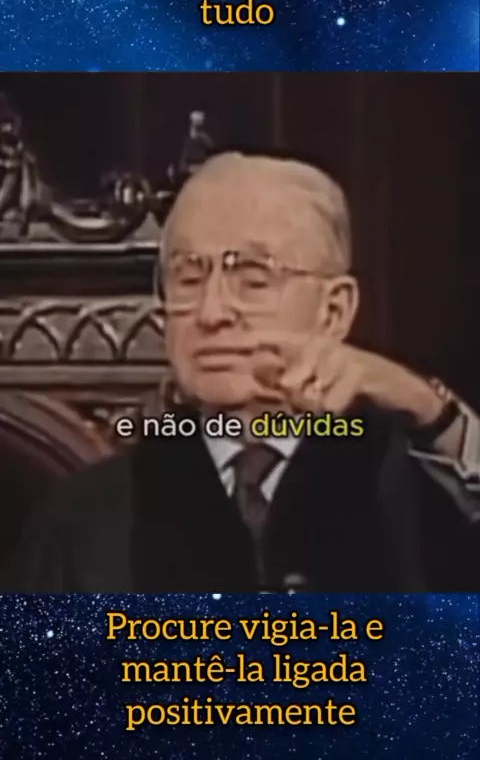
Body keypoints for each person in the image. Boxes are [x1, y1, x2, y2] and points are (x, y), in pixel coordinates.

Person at [7, 152, 480, 592]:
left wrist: (424, 404)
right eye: (189, 277)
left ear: (334, 311)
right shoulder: (83, 522)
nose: (211, 312)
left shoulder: (415, 495)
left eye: (253, 278)